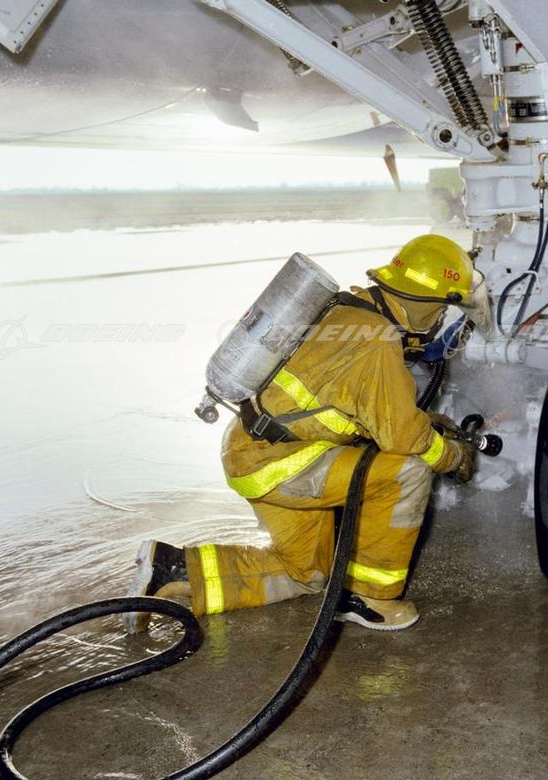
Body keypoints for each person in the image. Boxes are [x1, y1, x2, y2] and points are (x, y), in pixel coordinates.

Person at [123, 235, 484, 633]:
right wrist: (455, 456)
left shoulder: (347, 310)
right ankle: (370, 599)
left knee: (307, 574)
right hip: (281, 463)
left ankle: (171, 569)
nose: (442, 319)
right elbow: (404, 439)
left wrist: (424, 420)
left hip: (254, 449)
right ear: (428, 304)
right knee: (408, 471)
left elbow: (356, 405)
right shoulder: (378, 340)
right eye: (444, 308)